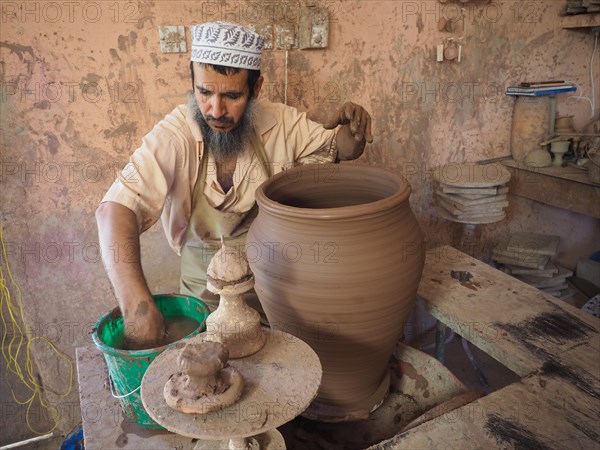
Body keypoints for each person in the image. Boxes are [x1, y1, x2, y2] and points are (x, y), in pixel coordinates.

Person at [96, 21, 373, 349]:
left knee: (275, 358)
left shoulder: (280, 123)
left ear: (255, 90)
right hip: (203, 288)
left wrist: (354, 135)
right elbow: (115, 210)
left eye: (231, 95)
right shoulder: (176, 134)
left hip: (270, 282)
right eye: (204, 92)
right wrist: (137, 308)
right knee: (207, 366)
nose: (215, 110)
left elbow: (338, 148)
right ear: (193, 84)